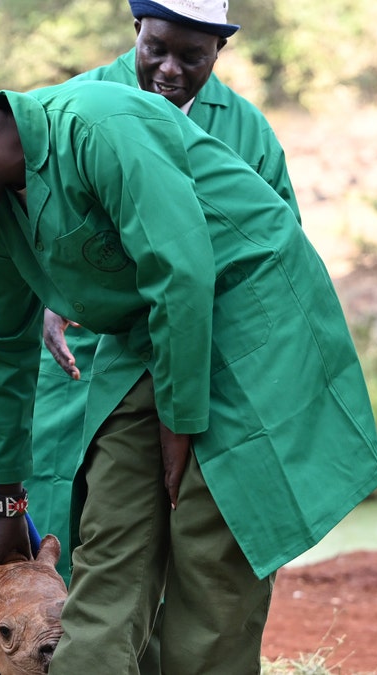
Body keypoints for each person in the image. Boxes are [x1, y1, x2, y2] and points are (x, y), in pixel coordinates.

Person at [0, 74, 377, 673]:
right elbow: (1, 350)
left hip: (247, 319)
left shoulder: (98, 124)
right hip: (147, 337)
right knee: (109, 541)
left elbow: (182, 270)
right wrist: (6, 497)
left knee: (210, 550)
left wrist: (180, 418)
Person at [29, 0, 302, 590]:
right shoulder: (79, 104)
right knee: (71, 516)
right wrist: (59, 291)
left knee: (195, 522)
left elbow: (280, 251)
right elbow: (32, 220)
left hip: (204, 354)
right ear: (136, 30)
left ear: (219, 53)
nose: (170, 69)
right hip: (88, 355)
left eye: (192, 56)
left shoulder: (247, 130)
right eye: (156, 48)